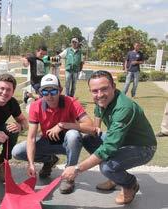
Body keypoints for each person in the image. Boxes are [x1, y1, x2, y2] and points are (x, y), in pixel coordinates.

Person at [61, 70, 157, 205]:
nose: (99, 95)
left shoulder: (124, 108)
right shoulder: (102, 100)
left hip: (143, 147)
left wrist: (76, 169)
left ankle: (130, 185)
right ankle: (115, 179)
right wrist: (96, 127)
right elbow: (98, 112)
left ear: (114, 86)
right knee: (89, 139)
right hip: (123, 140)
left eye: (104, 89)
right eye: (94, 91)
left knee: (107, 166)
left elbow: (109, 147)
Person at [12, 74, 95, 194]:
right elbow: (31, 138)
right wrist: (31, 164)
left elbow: (91, 127)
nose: (49, 96)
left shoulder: (71, 102)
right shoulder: (36, 106)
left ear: (60, 90)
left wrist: (63, 125)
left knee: (73, 135)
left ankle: (69, 175)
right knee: (17, 151)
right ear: (40, 93)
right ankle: (49, 160)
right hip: (47, 141)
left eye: (53, 91)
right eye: (45, 92)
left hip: (69, 143)